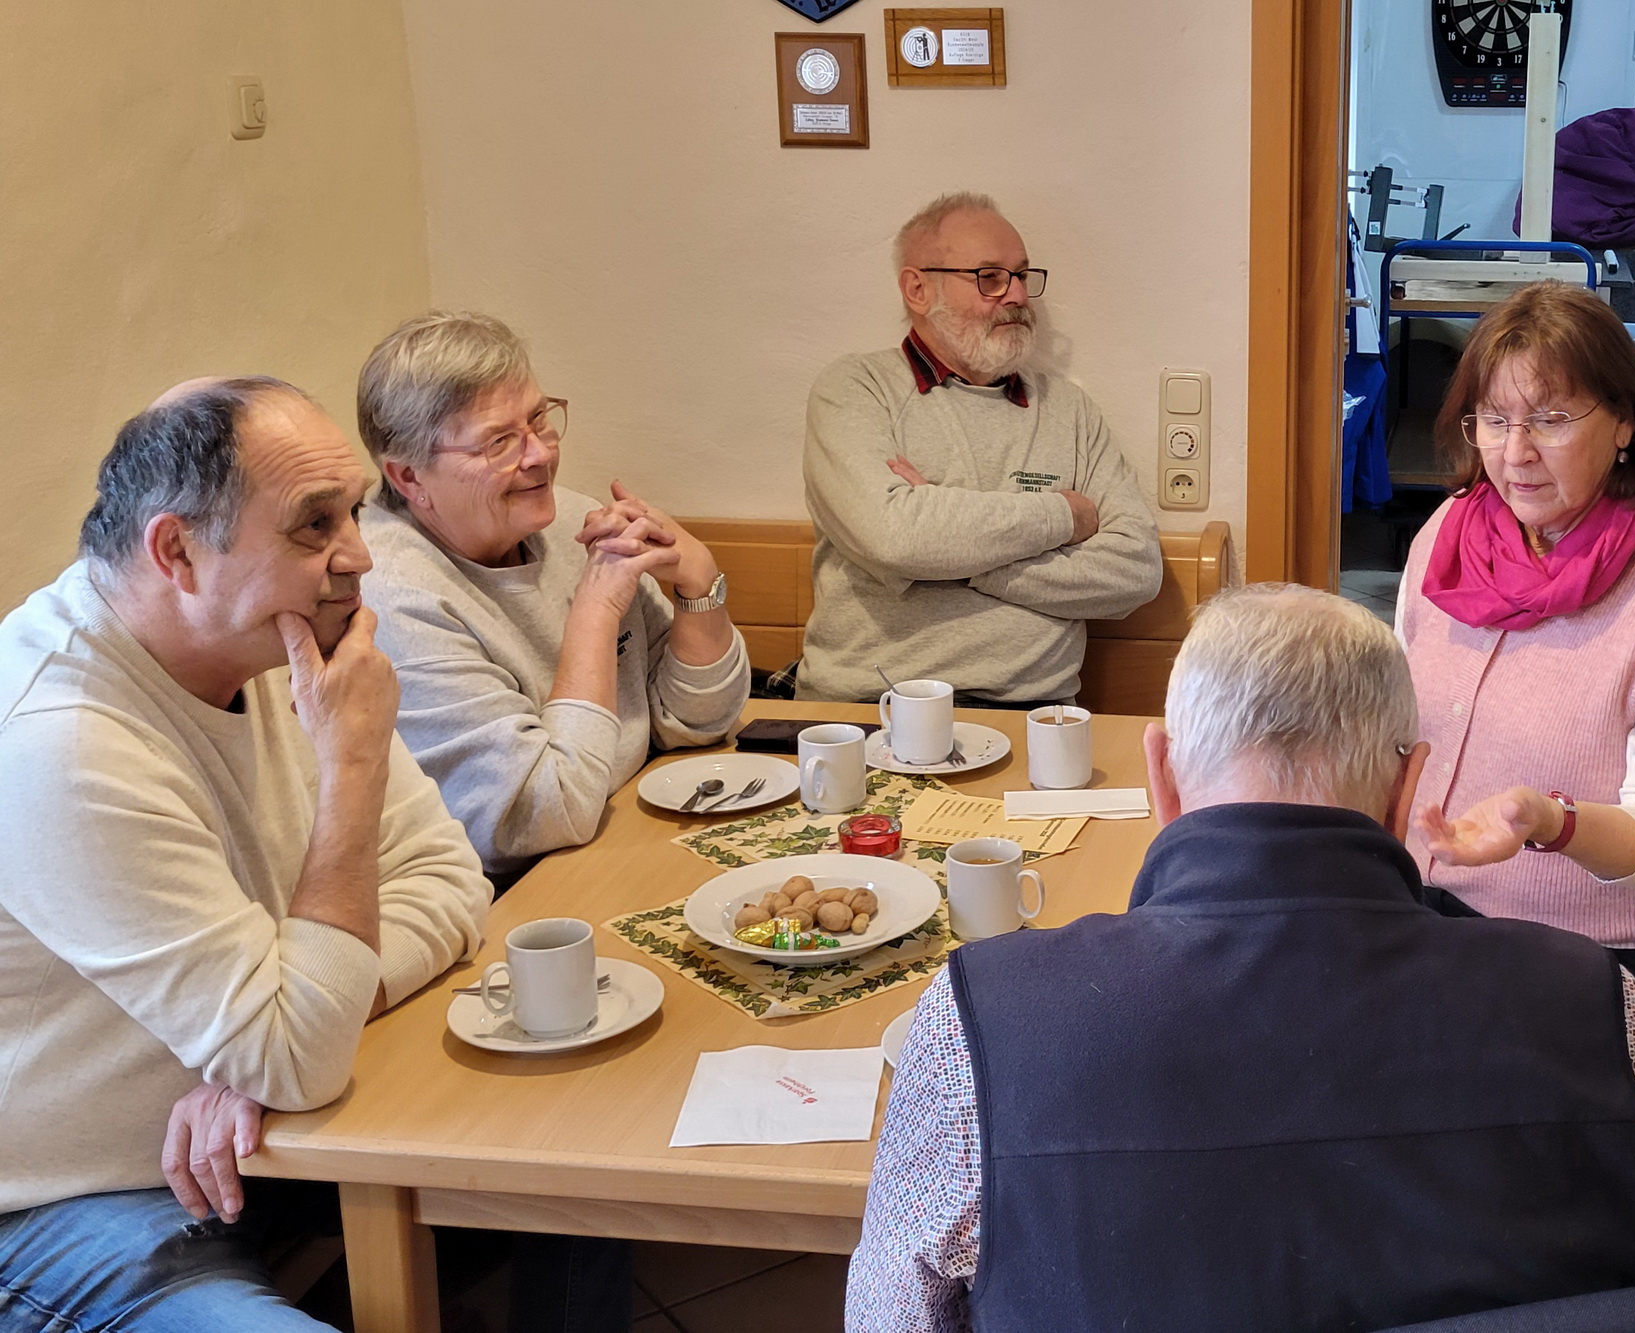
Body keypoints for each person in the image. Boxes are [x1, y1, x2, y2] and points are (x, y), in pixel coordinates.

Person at [847, 584, 1635, 1332]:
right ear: (1407, 789)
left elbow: (888, 1318)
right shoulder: (1599, 1007)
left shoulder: (978, 1025)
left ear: (1162, 775)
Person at [0, 379, 490, 1328]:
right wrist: (351, 767)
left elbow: (448, 878)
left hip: (265, 1125)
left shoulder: (277, 642)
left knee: (580, 1179)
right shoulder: (59, 742)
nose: (359, 555)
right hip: (65, 1200)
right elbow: (294, 1052)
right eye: (315, 525)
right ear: (176, 551)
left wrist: (291, 1031)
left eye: (354, 512)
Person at [1399, 281, 1635, 1059]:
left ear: (1625, 421)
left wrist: (1551, 822)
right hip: (1433, 906)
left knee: (1419, 1061)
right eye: (1494, 419)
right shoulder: (1451, 535)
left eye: (1552, 419)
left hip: (1612, 949)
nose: (1515, 452)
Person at [357, 311, 750, 880]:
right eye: (498, 442)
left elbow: (693, 719)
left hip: (620, 829)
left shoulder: (564, 516)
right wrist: (596, 611)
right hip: (509, 891)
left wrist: (699, 582)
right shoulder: (392, 597)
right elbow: (540, 817)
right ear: (409, 477)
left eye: (539, 419)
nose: (539, 455)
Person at [794, 190, 1162, 706]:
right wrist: (1065, 516)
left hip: (1034, 712)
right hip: (870, 708)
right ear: (918, 289)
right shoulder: (856, 389)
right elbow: (894, 539)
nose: (1017, 296)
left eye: (1022, 275)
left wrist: (953, 552)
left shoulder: (1069, 410)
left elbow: (1135, 571)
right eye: (990, 277)